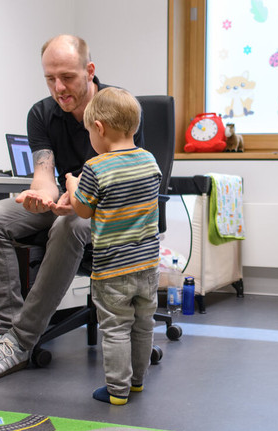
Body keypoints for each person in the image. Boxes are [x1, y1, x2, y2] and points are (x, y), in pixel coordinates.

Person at [0, 34, 143, 381]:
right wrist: (38, 196)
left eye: (67, 77)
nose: (58, 88)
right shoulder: (41, 113)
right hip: (66, 198)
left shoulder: (118, 107)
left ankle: (21, 342)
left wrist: (77, 198)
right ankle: (6, 327)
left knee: (68, 226)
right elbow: (44, 175)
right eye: (50, 78)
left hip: (107, 211)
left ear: (90, 70)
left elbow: (118, 181)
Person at [65, 87, 161, 405]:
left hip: (112, 268)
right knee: (143, 324)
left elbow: (82, 210)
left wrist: (73, 185)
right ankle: (136, 382)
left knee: (116, 327)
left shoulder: (96, 167)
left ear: (100, 128)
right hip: (147, 266)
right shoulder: (149, 161)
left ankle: (116, 390)